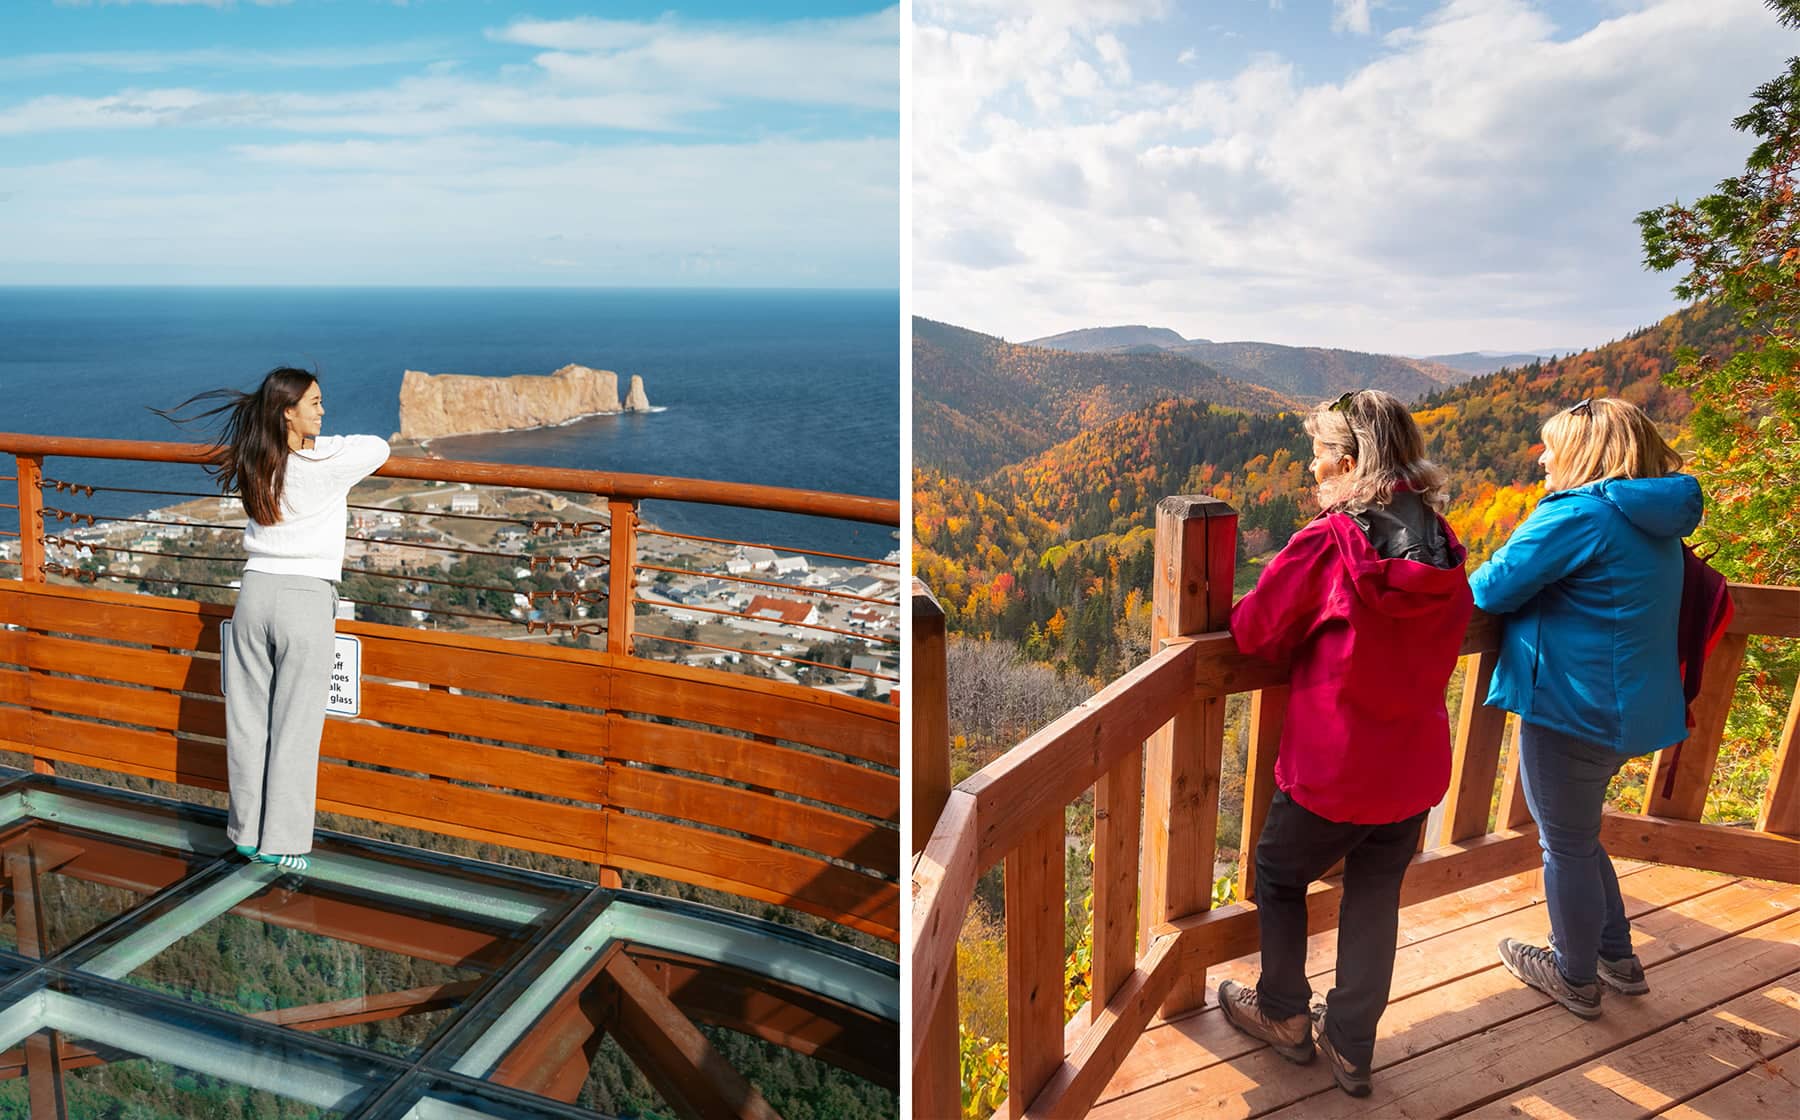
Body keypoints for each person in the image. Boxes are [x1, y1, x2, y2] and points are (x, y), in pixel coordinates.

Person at [1218, 389, 1473, 1097]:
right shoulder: (1446, 546)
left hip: (1335, 769)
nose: (1312, 472)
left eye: (1320, 458)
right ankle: (1353, 1045)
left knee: (1278, 873)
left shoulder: (1329, 544)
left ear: (1351, 461)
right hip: (1413, 765)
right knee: (1373, 897)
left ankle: (1284, 1016)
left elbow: (1255, 632)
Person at [1470, 397, 1698, 1018]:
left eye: (1552, 446)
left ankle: (1573, 975)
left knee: (1564, 845)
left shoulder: (1580, 516)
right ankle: (1616, 957)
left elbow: (1489, 589)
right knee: (1575, 834)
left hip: (1575, 708)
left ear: (1586, 454)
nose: (1542, 457)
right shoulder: (1653, 516)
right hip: (1632, 708)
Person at [155, 368, 390, 872]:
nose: (323, 413)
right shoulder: (325, 462)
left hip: (254, 593)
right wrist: (319, 443)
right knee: (295, 725)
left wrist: (296, 435)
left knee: (246, 720)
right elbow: (377, 447)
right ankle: (281, 841)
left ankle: (244, 833)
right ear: (288, 410)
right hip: (305, 598)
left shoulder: (255, 459)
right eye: (314, 404)